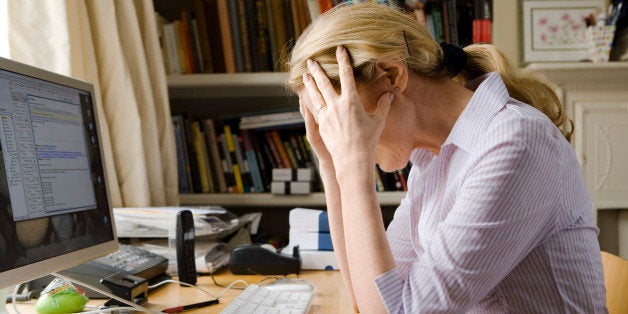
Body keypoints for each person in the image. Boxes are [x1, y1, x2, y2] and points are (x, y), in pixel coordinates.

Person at [284, 2, 607, 313]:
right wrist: (331, 163)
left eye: (342, 115)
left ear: (393, 77)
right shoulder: (435, 158)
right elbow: (365, 296)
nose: (337, 132)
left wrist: (353, 166)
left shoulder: (515, 143)